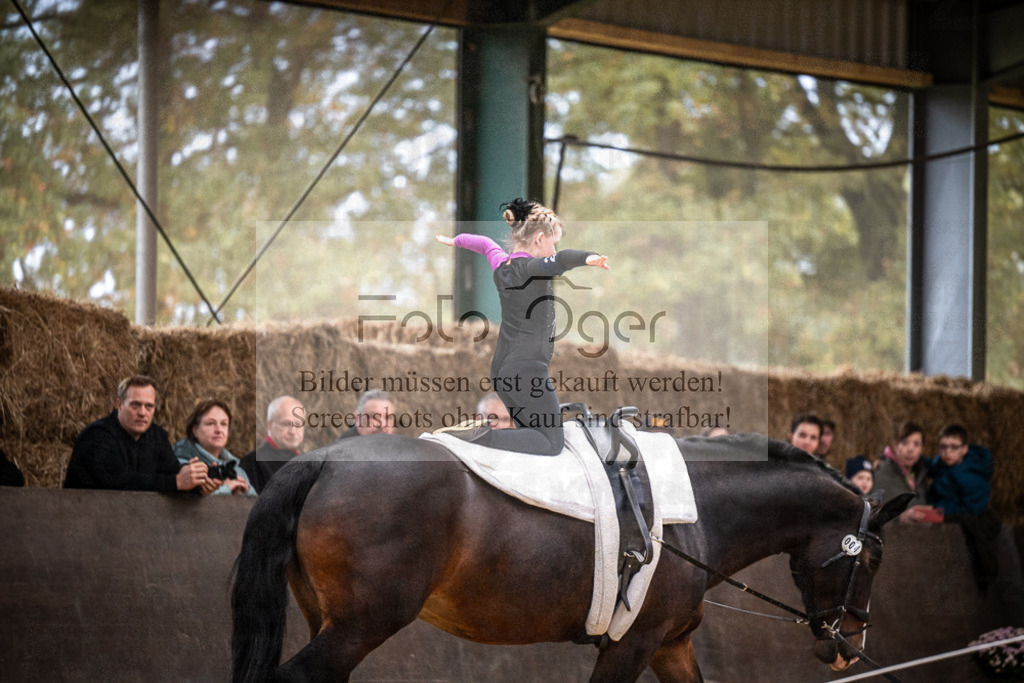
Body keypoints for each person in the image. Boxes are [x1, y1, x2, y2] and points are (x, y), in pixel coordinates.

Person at [436, 197, 609, 455]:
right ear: (539, 239)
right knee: (551, 443)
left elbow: (485, 245)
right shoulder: (530, 268)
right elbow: (561, 260)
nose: (553, 249)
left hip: (502, 371)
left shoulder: (501, 266)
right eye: (553, 242)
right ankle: (478, 437)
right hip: (526, 371)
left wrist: (457, 240)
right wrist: (588, 257)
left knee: (532, 437)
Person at [63, 375, 208, 492]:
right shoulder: (96, 436)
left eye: (149, 406)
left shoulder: (157, 436)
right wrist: (175, 482)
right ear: (119, 405)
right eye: (135, 405)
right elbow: (117, 481)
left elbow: (171, 473)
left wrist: (196, 481)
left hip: (134, 520)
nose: (142, 413)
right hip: (85, 519)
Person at [927, 424, 1001, 589]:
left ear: (964, 449)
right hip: (945, 509)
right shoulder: (942, 463)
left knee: (975, 527)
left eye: (954, 447)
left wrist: (934, 513)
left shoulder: (972, 477)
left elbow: (970, 511)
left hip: (964, 514)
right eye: (943, 447)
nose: (947, 451)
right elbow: (928, 463)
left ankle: (988, 574)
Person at [173, 399, 254, 496]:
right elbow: (189, 507)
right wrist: (226, 488)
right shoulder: (183, 466)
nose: (219, 430)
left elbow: (256, 505)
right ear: (195, 430)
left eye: (223, 424)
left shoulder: (237, 470)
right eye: (210, 423)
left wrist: (245, 491)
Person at [873, 420, 936, 524]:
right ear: (895, 446)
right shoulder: (879, 476)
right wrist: (901, 518)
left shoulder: (921, 476)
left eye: (916, 444)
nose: (910, 449)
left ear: (922, 449)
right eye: (905, 442)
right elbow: (871, 517)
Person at [239, 396, 305, 494]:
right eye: (285, 424)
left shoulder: (307, 463)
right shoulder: (252, 463)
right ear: (269, 425)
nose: (293, 431)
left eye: (298, 424)